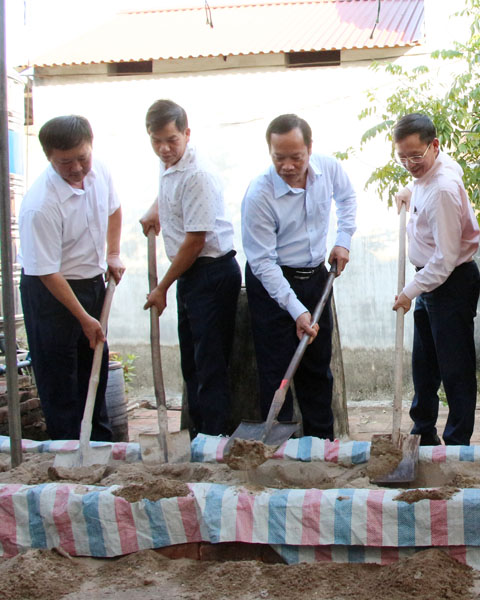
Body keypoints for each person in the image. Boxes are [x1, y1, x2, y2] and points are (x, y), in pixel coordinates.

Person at [241, 114, 357, 439]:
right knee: (277, 370)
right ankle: (279, 445)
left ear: (310, 148)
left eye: (296, 157)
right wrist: (296, 310)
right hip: (273, 283)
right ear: (270, 153)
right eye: (280, 158)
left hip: (316, 276)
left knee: (317, 366)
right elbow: (263, 262)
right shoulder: (259, 195)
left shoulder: (328, 169)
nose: (288, 166)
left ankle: (321, 445)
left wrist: (342, 240)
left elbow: (347, 199)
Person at [18, 115, 125, 441]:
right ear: (50, 158)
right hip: (51, 293)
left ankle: (101, 445)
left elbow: (114, 209)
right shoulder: (40, 205)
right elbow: (48, 272)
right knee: (61, 381)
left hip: (91, 283)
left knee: (94, 371)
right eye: (66, 162)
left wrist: (113, 253)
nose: (78, 168)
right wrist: (83, 317)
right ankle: (67, 453)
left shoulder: (99, 171)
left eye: (83, 157)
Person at [139, 100, 241, 437]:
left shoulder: (198, 175)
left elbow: (195, 241)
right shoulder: (168, 163)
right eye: (156, 141)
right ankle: (197, 435)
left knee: (209, 364)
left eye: (171, 140)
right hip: (191, 272)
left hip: (210, 272)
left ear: (187, 133)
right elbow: (168, 189)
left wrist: (162, 287)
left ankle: (213, 438)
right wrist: (156, 209)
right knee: (192, 363)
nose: (164, 148)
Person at [390, 114, 480, 446]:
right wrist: (407, 192)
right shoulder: (431, 172)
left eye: (416, 156)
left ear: (435, 146)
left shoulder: (443, 189)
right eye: (402, 157)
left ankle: (457, 443)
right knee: (424, 364)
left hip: (450, 282)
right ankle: (423, 431)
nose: (410, 164)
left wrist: (408, 292)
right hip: (428, 281)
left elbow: (444, 261)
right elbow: (421, 184)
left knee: (454, 368)